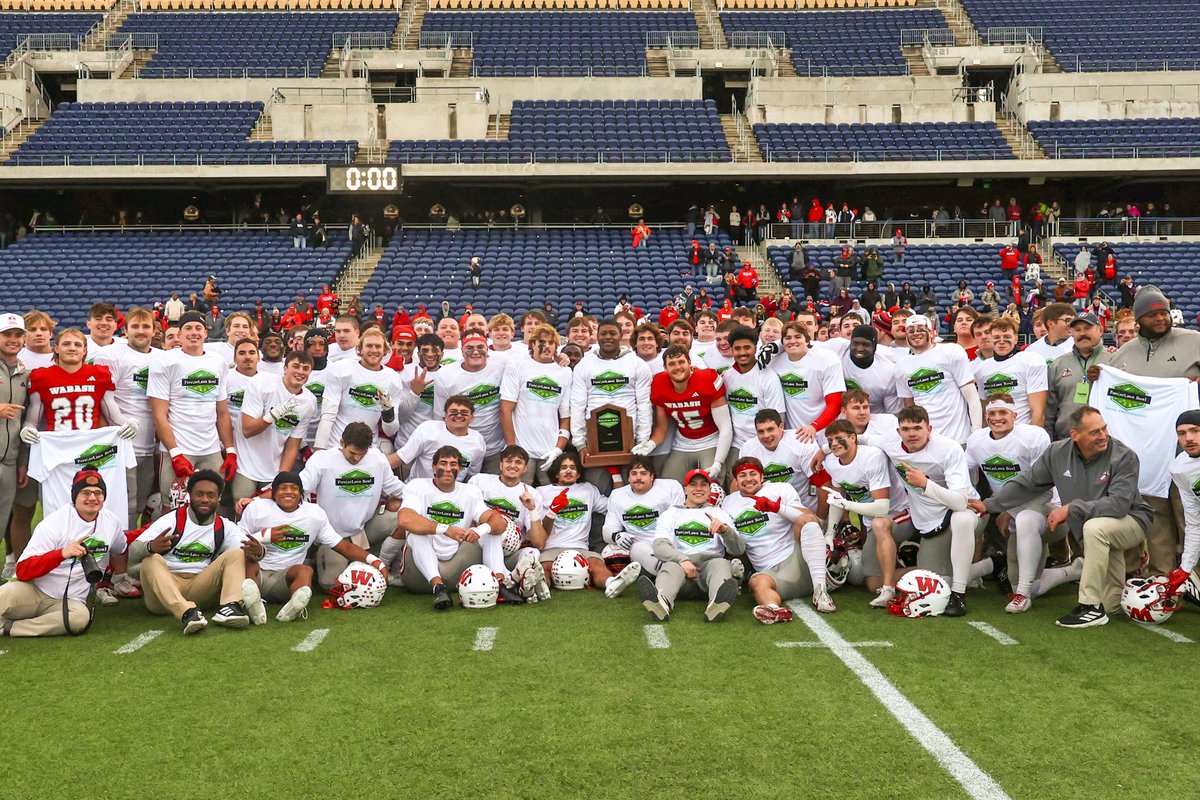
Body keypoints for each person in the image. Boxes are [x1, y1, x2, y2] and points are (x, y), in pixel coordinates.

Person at [978, 406, 1152, 628]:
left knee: (1094, 528)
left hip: (1132, 520)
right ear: (1075, 435)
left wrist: (1071, 508)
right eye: (1095, 432)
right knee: (1114, 605)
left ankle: (1089, 607)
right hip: (1098, 527)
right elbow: (1026, 484)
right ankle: (1126, 598)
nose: (1103, 435)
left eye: (1104, 428)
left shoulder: (1124, 456)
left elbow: (1118, 506)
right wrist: (988, 505)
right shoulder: (1057, 452)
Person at [1100, 285, 1200, 576]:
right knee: (1156, 515)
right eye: (1153, 314)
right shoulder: (1124, 353)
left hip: (1189, 446)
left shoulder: (1192, 341)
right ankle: (1162, 576)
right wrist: (1098, 376)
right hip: (1148, 449)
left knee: (1189, 514)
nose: (1161, 319)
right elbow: (1112, 387)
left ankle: (1195, 577)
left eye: (1164, 313)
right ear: (1139, 319)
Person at [871, 405, 996, 617]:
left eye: (917, 428)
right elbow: (861, 439)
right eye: (906, 429)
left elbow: (959, 501)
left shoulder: (949, 448)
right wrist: (824, 450)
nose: (912, 434)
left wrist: (926, 484)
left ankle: (959, 594)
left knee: (961, 519)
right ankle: (992, 564)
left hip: (967, 510)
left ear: (929, 428)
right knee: (933, 580)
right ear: (898, 431)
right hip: (928, 521)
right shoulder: (889, 442)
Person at [381, 446, 525, 609]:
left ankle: (499, 585)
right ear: (434, 468)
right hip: (420, 577)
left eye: (453, 464)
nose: (448, 469)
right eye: (443, 463)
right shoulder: (417, 486)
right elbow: (405, 520)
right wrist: (445, 529)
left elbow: (499, 522)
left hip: (456, 564)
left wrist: (479, 530)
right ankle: (438, 587)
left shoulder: (470, 492)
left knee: (490, 531)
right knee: (416, 533)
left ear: (460, 469)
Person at [238, 471, 387, 624]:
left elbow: (343, 546)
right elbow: (236, 542)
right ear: (274, 493)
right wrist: (265, 536)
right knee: (250, 556)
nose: (289, 492)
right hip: (256, 573)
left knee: (305, 570)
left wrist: (375, 561)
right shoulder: (256, 508)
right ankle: (253, 604)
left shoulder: (314, 514)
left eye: (294, 488)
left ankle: (293, 608)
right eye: (283, 488)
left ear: (301, 493)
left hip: (284, 580)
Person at [0, 469, 125, 637]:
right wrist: (61, 554)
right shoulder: (54, 523)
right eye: (86, 493)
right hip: (35, 590)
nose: (93, 498)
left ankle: (11, 628)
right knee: (5, 593)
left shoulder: (111, 522)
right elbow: (22, 570)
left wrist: (148, 545)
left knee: (80, 618)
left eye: (98, 493)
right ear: (75, 496)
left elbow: (122, 546)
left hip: (71, 601)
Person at [129, 470, 254, 635]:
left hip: (199, 587)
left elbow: (247, 549)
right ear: (189, 495)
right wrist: (150, 546)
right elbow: (132, 551)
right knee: (150, 560)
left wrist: (259, 552)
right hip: (163, 594)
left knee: (238, 553)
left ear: (219, 498)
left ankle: (231, 607)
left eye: (210, 495)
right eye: (199, 494)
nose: (204, 499)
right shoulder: (171, 519)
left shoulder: (224, 526)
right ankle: (186, 613)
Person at [965, 394, 1057, 613]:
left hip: (1049, 510)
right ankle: (1073, 571)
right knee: (1023, 583)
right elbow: (962, 471)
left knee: (1025, 518)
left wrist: (1004, 508)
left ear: (1015, 415)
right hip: (1014, 513)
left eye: (1003, 413)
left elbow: (1040, 484)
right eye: (992, 413)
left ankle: (1022, 596)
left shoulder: (1033, 437)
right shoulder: (977, 440)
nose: (997, 418)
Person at [722, 457, 832, 620]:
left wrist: (778, 508)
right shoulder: (729, 502)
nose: (748, 479)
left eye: (753, 473)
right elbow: (736, 546)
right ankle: (774, 610)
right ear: (736, 481)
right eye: (742, 475)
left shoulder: (781, 489)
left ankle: (821, 591)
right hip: (772, 574)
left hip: (799, 562)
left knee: (806, 523)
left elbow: (812, 519)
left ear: (762, 477)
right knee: (757, 582)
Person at [149, 311, 236, 505]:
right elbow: (159, 414)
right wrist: (175, 453)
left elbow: (222, 412)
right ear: (179, 334)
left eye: (198, 328)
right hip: (179, 446)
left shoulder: (218, 362)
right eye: (188, 328)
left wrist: (230, 450)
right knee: (171, 505)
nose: (193, 332)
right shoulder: (165, 361)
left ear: (206, 333)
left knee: (212, 505)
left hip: (210, 448)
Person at [636, 468, 743, 622]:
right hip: (681, 575)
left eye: (703, 485)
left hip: (709, 570)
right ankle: (662, 603)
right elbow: (660, 546)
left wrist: (725, 531)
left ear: (709, 489)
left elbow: (738, 549)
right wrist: (682, 559)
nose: (698, 489)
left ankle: (716, 604)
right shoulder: (671, 513)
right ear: (685, 489)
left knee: (721, 563)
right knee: (670, 566)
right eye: (693, 485)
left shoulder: (720, 513)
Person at [532, 452, 641, 595]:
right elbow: (539, 529)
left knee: (598, 565)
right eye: (564, 467)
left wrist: (615, 474)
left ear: (578, 474)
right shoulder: (542, 492)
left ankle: (612, 584)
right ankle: (542, 588)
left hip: (580, 547)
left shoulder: (587, 489)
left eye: (573, 467)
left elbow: (615, 505)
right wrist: (552, 511)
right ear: (557, 473)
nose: (569, 471)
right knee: (544, 568)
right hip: (552, 547)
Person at [569, 319, 653, 493]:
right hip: (594, 444)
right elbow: (577, 404)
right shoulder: (584, 365)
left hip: (630, 441)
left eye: (613, 333)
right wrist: (579, 443)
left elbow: (644, 404)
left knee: (633, 493)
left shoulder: (637, 364)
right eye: (603, 333)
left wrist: (642, 441)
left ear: (621, 336)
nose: (608, 337)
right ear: (596, 336)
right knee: (599, 490)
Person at [232, 351, 317, 504]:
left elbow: (293, 444)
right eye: (295, 366)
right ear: (285, 368)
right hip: (245, 463)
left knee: (271, 512)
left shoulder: (309, 401)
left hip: (273, 468)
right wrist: (274, 414)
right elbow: (247, 430)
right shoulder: (262, 383)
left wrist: (280, 478)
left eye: (306, 368)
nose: (300, 372)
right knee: (240, 504)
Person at [499, 324, 571, 486]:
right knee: (519, 499)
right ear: (532, 345)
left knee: (550, 500)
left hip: (549, 451)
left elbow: (565, 418)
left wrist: (558, 449)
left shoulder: (565, 373)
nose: (546, 346)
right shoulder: (518, 365)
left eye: (551, 342)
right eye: (541, 342)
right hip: (522, 450)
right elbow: (505, 410)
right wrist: (512, 447)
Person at [647, 345, 730, 484]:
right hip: (682, 444)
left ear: (690, 363)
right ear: (665, 367)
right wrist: (651, 443)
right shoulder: (660, 384)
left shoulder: (706, 379)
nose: (677, 367)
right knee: (667, 486)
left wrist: (718, 462)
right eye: (672, 364)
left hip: (710, 441)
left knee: (713, 489)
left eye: (681, 362)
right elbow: (661, 428)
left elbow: (725, 427)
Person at [893, 315, 981, 445]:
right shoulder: (901, 366)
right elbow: (909, 406)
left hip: (958, 438)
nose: (916, 333)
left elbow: (971, 395)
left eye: (920, 329)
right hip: (926, 441)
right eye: (911, 330)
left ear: (931, 332)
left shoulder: (951, 352)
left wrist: (977, 429)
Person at [432, 332, 507, 472]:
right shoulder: (446, 375)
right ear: (462, 351)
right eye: (470, 348)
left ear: (488, 349)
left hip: (495, 448)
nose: (476, 352)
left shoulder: (503, 363)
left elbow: (531, 365)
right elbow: (439, 416)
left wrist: (561, 358)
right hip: (461, 448)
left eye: (480, 347)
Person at [315, 327, 400, 450]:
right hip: (336, 444)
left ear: (385, 350)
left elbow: (390, 431)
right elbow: (328, 415)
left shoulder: (393, 379)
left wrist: (387, 411)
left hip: (368, 448)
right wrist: (319, 449)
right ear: (360, 348)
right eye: (369, 346)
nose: (373, 350)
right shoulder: (343, 369)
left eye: (378, 346)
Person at [602, 455, 684, 582]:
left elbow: (678, 522)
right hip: (642, 550)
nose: (638, 477)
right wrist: (616, 536)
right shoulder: (617, 495)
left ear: (652, 476)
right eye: (634, 473)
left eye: (643, 473)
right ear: (628, 478)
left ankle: (669, 574)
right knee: (636, 548)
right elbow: (607, 530)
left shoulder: (670, 488)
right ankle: (669, 574)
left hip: (668, 543)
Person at [763, 321, 845, 442]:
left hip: (824, 434)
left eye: (798, 336)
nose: (792, 341)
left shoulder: (826, 359)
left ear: (807, 340)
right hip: (792, 436)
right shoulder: (773, 362)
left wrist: (814, 427)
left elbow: (835, 403)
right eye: (788, 338)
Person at [721, 327, 786, 473]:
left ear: (755, 347)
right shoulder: (727, 376)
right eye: (737, 348)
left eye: (747, 347)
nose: (742, 352)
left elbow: (778, 417)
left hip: (763, 443)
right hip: (736, 444)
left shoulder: (768, 377)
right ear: (731, 350)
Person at [736, 409, 821, 512]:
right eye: (761, 431)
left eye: (770, 429)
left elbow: (823, 482)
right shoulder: (748, 448)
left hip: (804, 507)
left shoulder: (801, 441)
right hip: (768, 511)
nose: (766, 435)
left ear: (781, 427)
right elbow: (739, 483)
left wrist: (821, 518)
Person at [1044, 312, 1111, 440]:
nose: (1082, 333)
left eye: (1087, 328)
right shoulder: (1059, 364)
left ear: (1100, 330)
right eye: (1077, 330)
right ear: (1071, 333)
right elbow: (1049, 408)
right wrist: (1049, 439)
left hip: (1105, 438)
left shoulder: (1113, 360)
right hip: (1066, 438)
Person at [972, 316, 1047, 427]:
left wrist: (1034, 437)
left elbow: (1038, 411)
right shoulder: (981, 369)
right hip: (995, 434)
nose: (1001, 341)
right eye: (996, 337)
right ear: (991, 339)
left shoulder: (1031, 360)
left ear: (1016, 338)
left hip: (1023, 431)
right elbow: (984, 409)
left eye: (1007, 336)